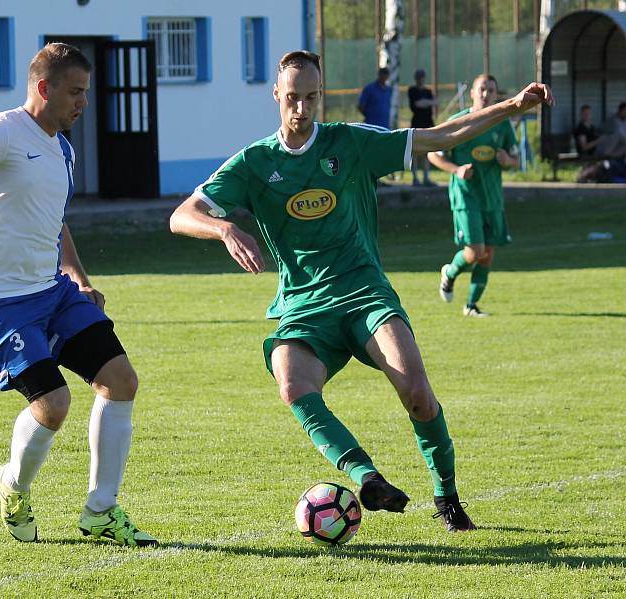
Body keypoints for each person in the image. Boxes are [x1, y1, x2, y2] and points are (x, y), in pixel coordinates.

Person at [170, 51, 552, 532]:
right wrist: (224, 230)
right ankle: (367, 478)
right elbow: (181, 215)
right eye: (293, 98)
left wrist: (510, 108)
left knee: (417, 394)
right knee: (292, 385)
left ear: (320, 95)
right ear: (276, 95)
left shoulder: (349, 144)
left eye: (311, 97)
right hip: (304, 306)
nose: (302, 109)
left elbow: (440, 136)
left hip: (365, 293)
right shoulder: (254, 163)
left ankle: (447, 498)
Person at [0, 43, 157, 547]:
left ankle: (101, 510)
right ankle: (13, 484)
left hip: (53, 291)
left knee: (121, 381)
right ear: (45, 88)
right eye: (76, 92)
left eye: (86, 91)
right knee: (54, 404)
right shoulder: (2, 131)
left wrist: (78, 277)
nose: (83, 103)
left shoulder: (62, 146)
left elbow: (53, 222)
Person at [429, 74, 520, 318]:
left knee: (487, 255)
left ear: (495, 94)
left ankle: (471, 306)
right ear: (472, 92)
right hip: (466, 197)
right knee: (475, 252)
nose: (486, 94)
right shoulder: (459, 121)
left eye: (491, 90)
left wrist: (507, 161)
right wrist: (456, 169)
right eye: (482, 89)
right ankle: (449, 273)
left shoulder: (502, 124)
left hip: (492, 197)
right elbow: (433, 153)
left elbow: (515, 158)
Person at [408, 69, 436, 186]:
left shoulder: (428, 91)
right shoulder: (412, 90)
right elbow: (417, 104)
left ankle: (426, 178)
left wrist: (426, 102)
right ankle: (415, 178)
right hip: (416, 124)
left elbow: (434, 102)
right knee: (414, 152)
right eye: (419, 77)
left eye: (422, 77)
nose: (421, 79)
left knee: (427, 152)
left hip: (427, 124)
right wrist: (427, 102)